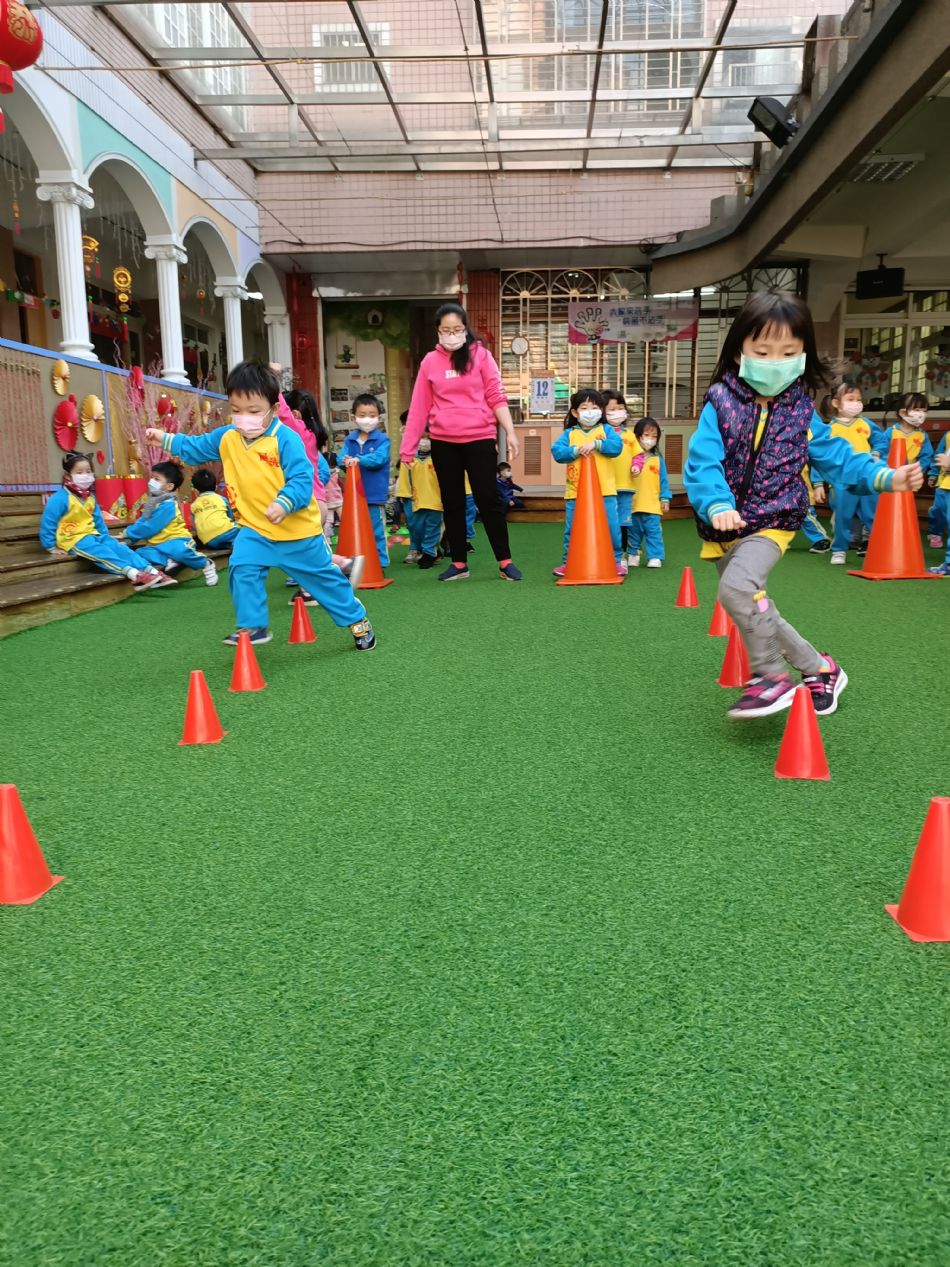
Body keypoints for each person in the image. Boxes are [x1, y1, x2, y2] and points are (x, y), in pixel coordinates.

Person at [684, 289, 922, 720]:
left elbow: (837, 456)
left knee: (738, 591)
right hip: (724, 523)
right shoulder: (720, 402)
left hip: (774, 517)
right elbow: (703, 461)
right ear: (739, 352)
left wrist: (885, 476)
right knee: (754, 605)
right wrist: (716, 504)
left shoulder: (800, 410)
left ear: (803, 356)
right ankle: (821, 668)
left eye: (788, 353)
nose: (775, 362)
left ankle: (771, 678)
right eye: (763, 352)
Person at [146, 361, 375, 650]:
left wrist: (284, 502)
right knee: (242, 567)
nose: (244, 418)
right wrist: (165, 439)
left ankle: (357, 620)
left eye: (253, 411)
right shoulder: (228, 437)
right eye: (237, 409)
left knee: (324, 582)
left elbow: (302, 478)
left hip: (298, 533)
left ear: (274, 409)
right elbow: (196, 447)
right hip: (255, 529)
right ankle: (253, 626)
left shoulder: (285, 439)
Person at [400, 302, 522, 582]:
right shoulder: (430, 362)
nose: (452, 334)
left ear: (465, 329)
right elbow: (419, 407)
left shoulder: (481, 356)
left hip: (479, 438)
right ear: (438, 331)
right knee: (452, 502)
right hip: (444, 442)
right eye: (446, 330)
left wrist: (510, 431)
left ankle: (505, 561)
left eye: (457, 329)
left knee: (488, 499)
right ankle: (458, 563)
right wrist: (407, 450)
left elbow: (496, 395)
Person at [39, 451, 173, 591]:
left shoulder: (90, 497)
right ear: (68, 475)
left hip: (93, 534)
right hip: (73, 539)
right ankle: (134, 575)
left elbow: (98, 521)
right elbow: (48, 523)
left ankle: (152, 571)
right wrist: (51, 546)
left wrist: (105, 537)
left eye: (88, 471)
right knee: (102, 552)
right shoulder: (59, 498)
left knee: (119, 547)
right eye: (79, 472)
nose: (85, 475)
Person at [281, 387, 362, 606]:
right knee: (309, 549)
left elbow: (283, 414)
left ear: (295, 414)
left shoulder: (296, 430)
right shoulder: (311, 435)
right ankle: (341, 567)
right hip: (318, 500)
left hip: (306, 502)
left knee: (297, 550)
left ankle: (327, 576)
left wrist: (271, 382)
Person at [550, 388, 623, 578]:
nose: (590, 412)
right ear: (575, 412)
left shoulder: (606, 430)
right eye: (584, 408)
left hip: (605, 491)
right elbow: (557, 451)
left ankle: (615, 561)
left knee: (611, 527)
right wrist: (574, 450)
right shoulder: (570, 434)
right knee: (573, 529)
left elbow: (617, 447)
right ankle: (569, 562)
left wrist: (598, 444)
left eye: (594, 407)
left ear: (601, 410)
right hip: (575, 492)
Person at [124, 461, 218, 585]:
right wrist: (129, 537)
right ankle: (170, 560)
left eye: (156, 479)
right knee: (141, 552)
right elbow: (143, 520)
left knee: (180, 552)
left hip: (176, 540)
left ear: (169, 486)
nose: (151, 481)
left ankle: (206, 563)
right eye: (152, 478)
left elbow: (150, 527)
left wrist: (129, 533)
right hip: (158, 544)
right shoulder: (153, 502)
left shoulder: (168, 505)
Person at [820, 380, 879, 564]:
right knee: (843, 516)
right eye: (851, 399)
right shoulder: (829, 430)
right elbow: (820, 457)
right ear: (836, 403)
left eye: (859, 399)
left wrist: (877, 453)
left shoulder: (866, 423)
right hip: (842, 481)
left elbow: (881, 440)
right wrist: (818, 484)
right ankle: (839, 550)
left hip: (866, 477)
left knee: (872, 515)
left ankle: (879, 548)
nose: (856, 403)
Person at [338, 394, 391, 569]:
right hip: (354, 496)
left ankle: (381, 563)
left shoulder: (383, 440)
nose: (367, 419)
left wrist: (358, 459)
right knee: (355, 529)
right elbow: (341, 457)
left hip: (374, 495)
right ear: (354, 417)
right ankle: (357, 562)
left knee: (376, 530)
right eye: (362, 415)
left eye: (372, 415)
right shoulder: (350, 440)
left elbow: (379, 459)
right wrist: (345, 460)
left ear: (379, 417)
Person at [604, 390, 641, 572]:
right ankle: (604, 554)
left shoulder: (629, 435)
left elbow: (639, 455)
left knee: (623, 523)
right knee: (605, 523)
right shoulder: (600, 434)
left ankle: (622, 556)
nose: (617, 412)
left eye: (620, 408)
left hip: (625, 487)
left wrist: (637, 466)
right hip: (604, 488)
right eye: (612, 409)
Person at [627, 417, 671, 568]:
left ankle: (655, 556)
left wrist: (665, 498)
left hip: (652, 504)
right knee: (633, 532)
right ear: (638, 435)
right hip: (632, 504)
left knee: (653, 532)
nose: (650, 439)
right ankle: (633, 554)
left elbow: (664, 481)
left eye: (654, 436)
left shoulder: (658, 459)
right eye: (646, 435)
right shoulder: (629, 458)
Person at [409, 433, 443, 567]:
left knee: (433, 528)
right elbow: (407, 479)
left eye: (427, 438)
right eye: (422, 438)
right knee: (417, 528)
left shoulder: (439, 457)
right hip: (418, 499)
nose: (424, 441)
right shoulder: (411, 459)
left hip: (436, 500)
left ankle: (429, 554)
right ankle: (433, 550)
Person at [190, 468, 239, 549]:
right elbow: (231, 518)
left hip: (209, 542)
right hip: (226, 533)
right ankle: (236, 543)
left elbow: (195, 527)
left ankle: (231, 544)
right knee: (245, 526)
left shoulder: (193, 505)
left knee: (221, 541)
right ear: (216, 487)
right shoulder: (221, 499)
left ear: (196, 491)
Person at [928, 430, 950, 549]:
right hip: (944, 482)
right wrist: (933, 474)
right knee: (938, 510)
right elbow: (938, 455)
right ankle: (936, 534)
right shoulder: (948, 436)